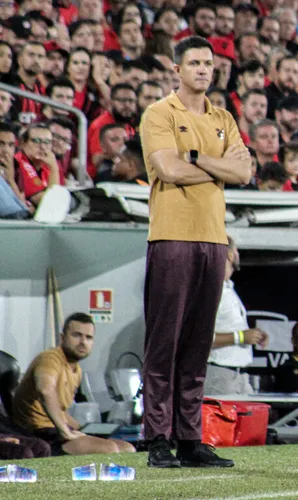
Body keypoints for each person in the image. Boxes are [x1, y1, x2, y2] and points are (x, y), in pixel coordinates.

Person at [139, 36, 252, 469]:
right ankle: (157, 438)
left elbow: (243, 171)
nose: (204, 69)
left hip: (213, 239)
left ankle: (189, 437)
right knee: (164, 342)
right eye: (195, 63)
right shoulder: (159, 113)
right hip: (171, 236)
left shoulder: (223, 116)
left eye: (209, 63)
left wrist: (195, 157)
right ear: (176, 69)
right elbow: (167, 168)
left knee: (197, 344)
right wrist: (214, 163)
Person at [12, 313, 136, 456]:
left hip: (57, 430)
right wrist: (65, 431)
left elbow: (61, 410)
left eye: (88, 337)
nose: (83, 342)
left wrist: (83, 429)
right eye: (77, 335)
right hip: (39, 433)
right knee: (109, 449)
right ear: (63, 338)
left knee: (127, 448)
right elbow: (45, 390)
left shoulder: (77, 370)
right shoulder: (50, 359)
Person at [203, 235, 270, 396]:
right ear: (230, 254)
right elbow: (198, 338)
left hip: (238, 376)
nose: (238, 255)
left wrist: (254, 336)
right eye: (237, 250)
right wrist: (240, 337)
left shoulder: (227, 288)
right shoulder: (210, 290)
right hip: (219, 376)